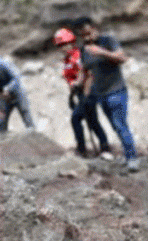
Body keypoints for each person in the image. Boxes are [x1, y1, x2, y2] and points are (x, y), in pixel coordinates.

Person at [72, 16, 139, 170]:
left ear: (95, 28)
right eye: (83, 36)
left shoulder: (108, 41)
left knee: (120, 125)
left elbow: (122, 58)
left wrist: (101, 52)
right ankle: (128, 154)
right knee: (115, 126)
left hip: (116, 91)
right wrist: (79, 82)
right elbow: (85, 68)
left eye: (89, 33)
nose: (87, 38)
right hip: (101, 94)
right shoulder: (84, 49)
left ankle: (132, 158)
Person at [53, 27, 112, 159]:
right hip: (79, 93)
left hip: (89, 91)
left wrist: (83, 90)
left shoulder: (79, 55)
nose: (63, 48)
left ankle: (82, 149)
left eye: (65, 44)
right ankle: (104, 146)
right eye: (60, 46)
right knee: (92, 121)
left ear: (71, 43)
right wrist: (72, 94)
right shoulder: (66, 62)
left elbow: (88, 73)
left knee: (76, 119)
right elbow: (69, 79)